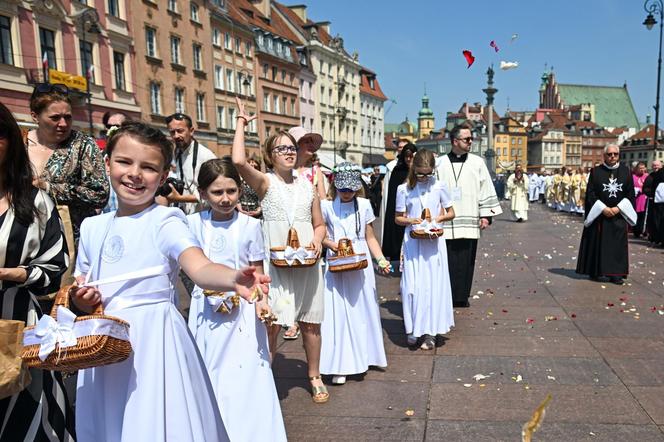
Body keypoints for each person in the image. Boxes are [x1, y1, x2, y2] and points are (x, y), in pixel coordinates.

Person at [72, 122, 271, 441]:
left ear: (163, 177)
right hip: (104, 342)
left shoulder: (165, 221)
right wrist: (82, 300)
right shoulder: (94, 227)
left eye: (148, 167)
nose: (135, 173)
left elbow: (200, 266)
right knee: (110, 422)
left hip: (153, 342)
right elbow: (84, 288)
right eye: (125, 162)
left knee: (152, 421)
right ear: (107, 163)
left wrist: (234, 278)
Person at [231, 98, 328, 403]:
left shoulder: (308, 185)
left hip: (307, 263)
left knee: (311, 322)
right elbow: (237, 162)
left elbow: (319, 224)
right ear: (270, 156)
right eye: (281, 149)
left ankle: (314, 375)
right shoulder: (265, 183)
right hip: (275, 264)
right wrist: (242, 124)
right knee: (272, 322)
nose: (288, 152)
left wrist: (316, 240)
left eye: (291, 148)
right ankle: (264, 374)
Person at [186, 158, 286, 442]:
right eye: (217, 192)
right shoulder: (192, 223)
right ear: (203, 193)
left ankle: (250, 432)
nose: (226, 198)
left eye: (231, 190)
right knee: (207, 368)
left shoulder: (250, 226)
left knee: (245, 372)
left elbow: (257, 272)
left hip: (242, 310)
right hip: (205, 309)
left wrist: (262, 301)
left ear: (240, 190)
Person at [0, 102, 76, 441]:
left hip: (18, 327)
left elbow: (53, 266)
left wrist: (9, 273)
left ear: (10, 142)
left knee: (26, 420)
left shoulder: (34, 200)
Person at [320, 162, 390, 385]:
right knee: (338, 313)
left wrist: (380, 258)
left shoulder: (364, 204)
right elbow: (319, 235)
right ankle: (340, 364)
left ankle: (366, 356)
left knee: (363, 309)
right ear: (335, 186)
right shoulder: (326, 206)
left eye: (351, 189)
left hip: (361, 260)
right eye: (343, 189)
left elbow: (369, 236)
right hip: (337, 259)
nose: (347, 193)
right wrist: (333, 245)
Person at [26, 83, 109, 242]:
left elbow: (100, 194)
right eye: (55, 118)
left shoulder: (83, 144)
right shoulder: (18, 143)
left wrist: (49, 188)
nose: (63, 124)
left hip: (71, 240)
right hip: (26, 237)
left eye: (68, 117)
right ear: (35, 116)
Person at [436, 124, 502, 308]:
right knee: (446, 260)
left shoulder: (477, 162)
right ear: (455, 141)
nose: (471, 141)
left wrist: (486, 216)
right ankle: (446, 295)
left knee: (466, 260)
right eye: (467, 139)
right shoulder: (439, 163)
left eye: (471, 138)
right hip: (445, 221)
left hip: (469, 218)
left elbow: (485, 188)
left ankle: (462, 296)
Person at [396, 149, 456, 349]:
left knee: (432, 286)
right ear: (413, 169)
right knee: (411, 287)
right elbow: (398, 218)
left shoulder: (439, 186)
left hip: (433, 242)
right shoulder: (403, 189)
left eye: (427, 174)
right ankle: (413, 328)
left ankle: (430, 331)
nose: (423, 178)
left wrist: (438, 218)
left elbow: (451, 212)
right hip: (413, 242)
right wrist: (410, 220)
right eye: (420, 173)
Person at [576, 144, 636, 285]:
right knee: (599, 243)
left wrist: (618, 208)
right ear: (604, 156)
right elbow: (590, 193)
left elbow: (630, 194)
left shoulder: (626, 172)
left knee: (617, 245)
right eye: (609, 154)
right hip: (600, 216)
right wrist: (603, 208)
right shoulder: (596, 172)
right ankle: (598, 271)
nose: (613, 156)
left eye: (615, 154)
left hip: (618, 215)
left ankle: (616, 274)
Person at [163, 113, 217, 214]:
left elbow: (213, 193)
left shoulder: (206, 156)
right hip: (186, 214)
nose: (176, 136)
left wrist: (179, 198)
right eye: (172, 132)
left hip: (204, 216)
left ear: (191, 131)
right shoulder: (177, 152)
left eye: (180, 131)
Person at [381, 143, 418, 263]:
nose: (408, 159)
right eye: (406, 156)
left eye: (411, 156)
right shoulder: (396, 171)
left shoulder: (419, 171)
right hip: (399, 210)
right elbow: (392, 195)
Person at [378, 139, 407, 244]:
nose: (403, 150)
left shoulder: (414, 165)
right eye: (400, 147)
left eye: (405, 147)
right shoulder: (391, 166)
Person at [102, 112, 128, 214]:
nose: (111, 130)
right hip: (108, 217)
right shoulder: (101, 158)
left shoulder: (133, 157)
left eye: (116, 126)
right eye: (109, 126)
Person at [644, 160, 664, 245]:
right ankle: (655, 237)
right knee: (655, 221)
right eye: (654, 165)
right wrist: (652, 194)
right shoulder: (651, 176)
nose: (656, 167)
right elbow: (646, 188)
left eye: (657, 165)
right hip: (655, 202)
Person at [632, 162, 649, 238]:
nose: (642, 170)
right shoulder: (633, 177)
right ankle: (636, 231)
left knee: (643, 216)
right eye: (640, 168)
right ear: (637, 169)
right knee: (635, 215)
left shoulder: (647, 176)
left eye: (643, 168)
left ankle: (643, 230)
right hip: (636, 199)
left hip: (644, 199)